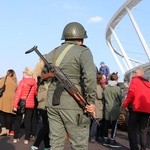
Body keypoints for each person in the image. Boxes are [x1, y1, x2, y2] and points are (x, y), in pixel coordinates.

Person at [43, 22, 97, 150]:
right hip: (73, 104)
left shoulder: (53, 52)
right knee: (79, 145)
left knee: (55, 144)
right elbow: (89, 77)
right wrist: (90, 102)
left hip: (52, 102)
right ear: (80, 38)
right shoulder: (83, 51)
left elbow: (43, 75)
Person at [123, 67, 150, 150]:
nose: (133, 74)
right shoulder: (148, 83)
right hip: (146, 109)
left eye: (134, 72)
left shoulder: (135, 80)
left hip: (136, 108)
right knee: (143, 130)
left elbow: (131, 93)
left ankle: (134, 148)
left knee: (131, 128)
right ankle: (143, 148)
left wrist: (125, 104)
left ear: (137, 73)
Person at [13, 67, 37, 144]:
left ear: (26, 73)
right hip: (30, 104)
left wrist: (15, 104)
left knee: (18, 120)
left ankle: (15, 138)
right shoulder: (34, 82)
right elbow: (35, 93)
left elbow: (18, 94)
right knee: (28, 121)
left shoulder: (22, 82)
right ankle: (26, 139)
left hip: (21, 103)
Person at [30, 57, 50, 150]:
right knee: (47, 126)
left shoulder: (38, 74)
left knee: (46, 125)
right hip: (45, 102)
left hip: (42, 102)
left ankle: (47, 146)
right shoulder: (43, 75)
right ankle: (35, 145)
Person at [102, 72, 122, 148]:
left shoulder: (106, 88)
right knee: (114, 125)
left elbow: (104, 97)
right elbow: (120, 99)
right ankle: (112, 140)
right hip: (115, 108)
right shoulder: (118, 88)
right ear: (116, 79)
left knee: (106, 124)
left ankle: (105, 139)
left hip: (107, 107)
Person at [0, 69, 18, 136]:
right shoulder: (15, 82)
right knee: (8, 115)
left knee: (1, 114)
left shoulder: (3, 79)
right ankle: (8, 130)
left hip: (3, 99)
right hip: (11, 100)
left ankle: (3, 129)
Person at [89, 73, 104, 143]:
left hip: (93, 104)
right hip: (97, 105)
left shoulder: (92, 85)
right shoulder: (98, 86)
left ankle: (92, 136)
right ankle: (93, 137)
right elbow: (99, 96)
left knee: (92, 122)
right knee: (96, 122)